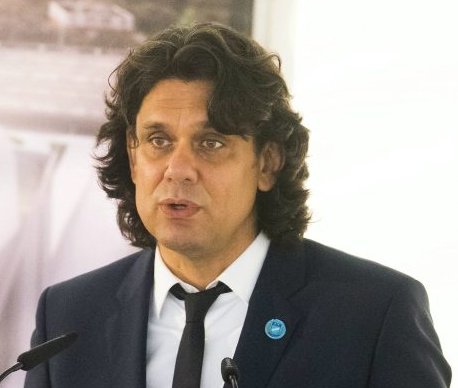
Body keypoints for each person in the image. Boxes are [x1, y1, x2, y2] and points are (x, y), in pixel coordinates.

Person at [24, 23, 450, 388]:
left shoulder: (374, 314)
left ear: (267, 163)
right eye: (158, 140)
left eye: (211, 143)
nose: (178, 170)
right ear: (133, 159)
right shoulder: (69, 314)